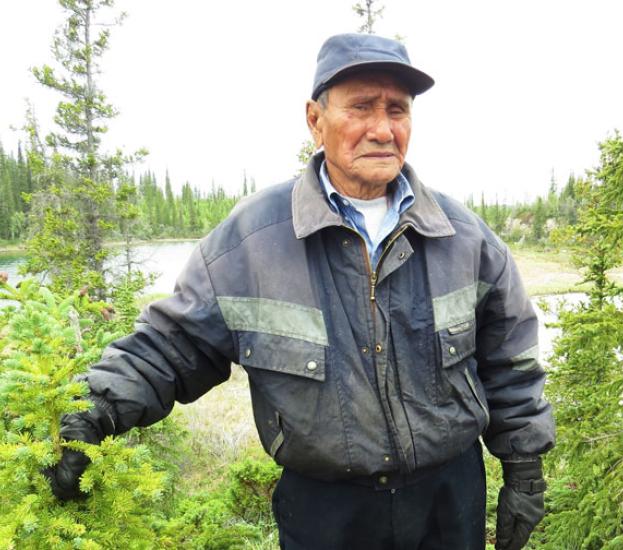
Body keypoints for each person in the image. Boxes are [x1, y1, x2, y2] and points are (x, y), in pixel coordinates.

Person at [49, 33, 555, 549]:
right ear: (316, 120)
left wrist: (525, 469)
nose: (383, 129)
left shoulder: (463, 237)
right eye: (361, 107)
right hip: (323, 511)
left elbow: (510, 361)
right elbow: (172, 347)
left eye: (397, 110)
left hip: (448, 502)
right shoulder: (251, 241)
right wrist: (93, 410)